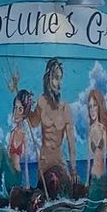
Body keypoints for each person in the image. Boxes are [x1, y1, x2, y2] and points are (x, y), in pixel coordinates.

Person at [33, 59, 79, 194]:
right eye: (56, 78)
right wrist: (26, 108)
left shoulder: (66, 109)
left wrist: (73, 170)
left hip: (59, 164)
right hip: (44, 166)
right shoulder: (41, 102)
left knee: (67, 191)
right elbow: (33, 123)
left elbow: (72, 145)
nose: (60, 83)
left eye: (61, 78)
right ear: (48, 79)